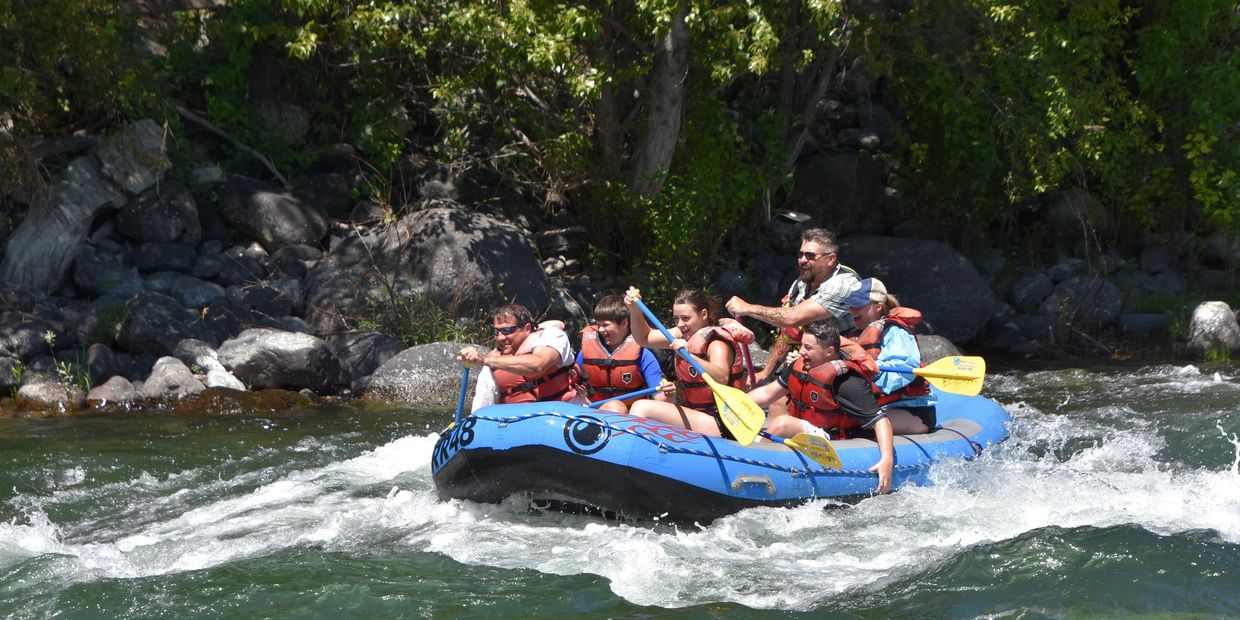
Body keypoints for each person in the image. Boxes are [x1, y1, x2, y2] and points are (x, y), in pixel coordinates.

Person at [745, 321, 896, 493]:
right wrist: (734, 403)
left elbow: (880, 420)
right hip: (811, 430)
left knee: (782, 424)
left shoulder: (846, 382)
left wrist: (887, 459)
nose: (801, 352)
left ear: (829, 352)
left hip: (835, 440)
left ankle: (752, 463)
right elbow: (767, 394)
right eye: (802, 345)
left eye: (808, 348)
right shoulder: (800, 365)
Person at [725, 228, 861, 385]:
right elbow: (789, 333)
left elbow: (793, 317)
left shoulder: (843, 284)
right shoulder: (800, 285)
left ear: (831, 259)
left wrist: (747, 308)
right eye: (800, 254)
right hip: (808, 362)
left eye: (810, 256)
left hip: (842, 368)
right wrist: (765, 372)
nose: (802, 260)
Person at [623, 286, 753, 439]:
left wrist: (690, 356)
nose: (679, 324)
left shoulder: (717, 342)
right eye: (676, 319)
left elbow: (721, 377)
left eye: (685, 318)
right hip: (697, 415)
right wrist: (635, 309)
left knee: (641, 407)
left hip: (724, 422)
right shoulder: (683, 334)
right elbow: (645, 338)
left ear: (703, 314)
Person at [844, 277, 937, 434]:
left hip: (911, 411)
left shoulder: (895, 331)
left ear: (878, 307)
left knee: (852, 428)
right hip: (876, 407)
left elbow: (902, 371)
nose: (853, 309)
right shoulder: (854, 336)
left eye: (858, 305)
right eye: (851, 305)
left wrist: (867, 372)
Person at [456, 303, 582, 413]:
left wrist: (484, 360)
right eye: (496, 331)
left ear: (527, 328)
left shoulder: (552, 336)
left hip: (567, 413)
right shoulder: (491, 367)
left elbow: (539, 364)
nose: (500, 337)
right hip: (525, 425)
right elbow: (481, 412)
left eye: (507, 330)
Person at [576, 294, 666, 412]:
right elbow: (574, 384)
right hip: (594, 411)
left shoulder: (644, 355)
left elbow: (661, 397)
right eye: (599, 325)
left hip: (631, 417)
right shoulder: (585, 352)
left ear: (624, 323)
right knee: (615, 407)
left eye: (606, 325)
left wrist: (668, 395)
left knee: (616, 407)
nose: (601, 330)